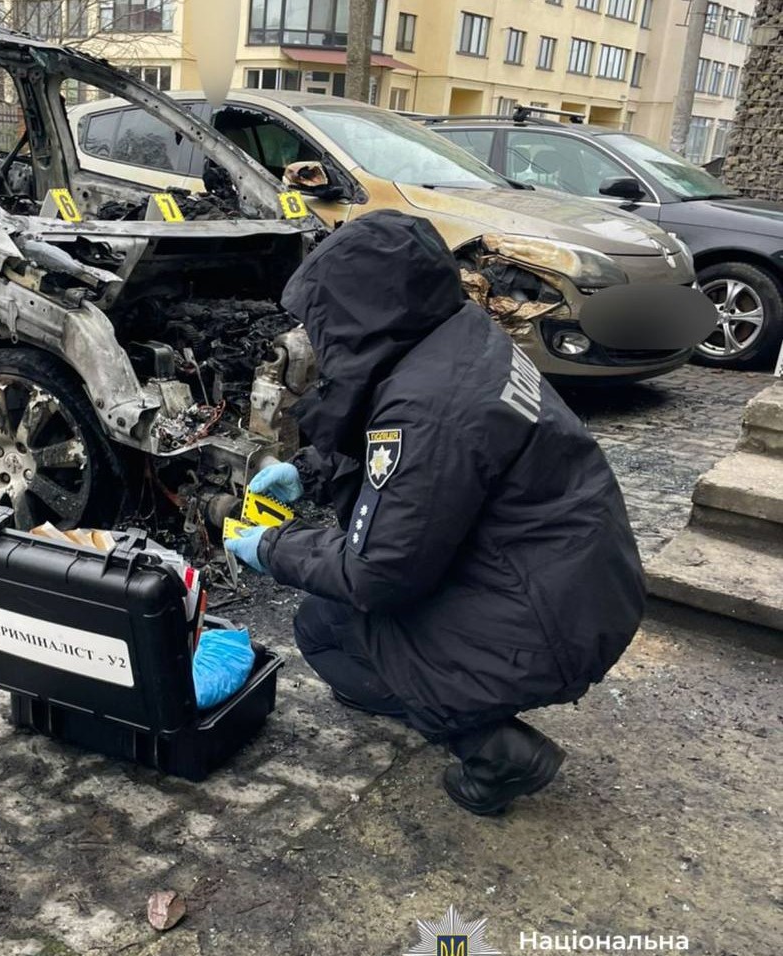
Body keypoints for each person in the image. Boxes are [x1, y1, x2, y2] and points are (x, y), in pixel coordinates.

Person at [226, 210, 646, 816]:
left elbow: (379, 573)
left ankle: (492, 748)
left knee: (356, 617)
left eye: (323, 321)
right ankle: (437, 691)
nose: (315, 338)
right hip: (575, 582)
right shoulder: (457, 338)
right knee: (324, 624)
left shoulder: (427, 410)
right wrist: (312, 472)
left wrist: (272, 546)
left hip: (549, 620)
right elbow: (428, 478)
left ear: (362, 312)